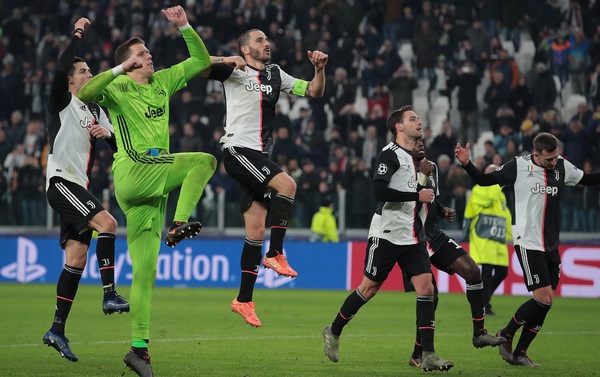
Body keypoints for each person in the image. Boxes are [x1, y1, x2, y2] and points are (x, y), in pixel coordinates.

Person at [78, 6, 218, 376]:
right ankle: (181, 222)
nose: (148, 56)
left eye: (148, 52)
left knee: (145, 272)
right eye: (140, 54)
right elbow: (86, 92)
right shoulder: (119, 86)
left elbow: (201, 61)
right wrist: (118, 70)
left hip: (151, 188)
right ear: (128, 63)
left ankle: (138, 350)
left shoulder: (164, 81)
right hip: (133, 170)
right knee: (203, 161)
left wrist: (185, 26)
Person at [198, 29, 329, 327]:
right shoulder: (233, 71)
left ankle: (243, 299)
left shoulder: (275, 74)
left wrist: (319, 70)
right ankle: (276, 253)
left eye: (267, 39)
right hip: (238, 150)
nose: (266, 43)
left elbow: (314, 91)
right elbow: (198, 64)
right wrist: (226, 59)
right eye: (259, 40)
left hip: (259, 156)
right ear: (244, 48)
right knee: (288, 185)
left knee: (255, 231)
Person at [321, 106, 454, 372]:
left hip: (412, 235)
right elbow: (379, 191)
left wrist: (436, 206)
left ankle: (426, 353)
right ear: (399, 127)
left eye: (418, 117)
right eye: (413, 119)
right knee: (368, 289)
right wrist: (418, 196)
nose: (419, 121)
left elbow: (410, 191)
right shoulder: (389, 154)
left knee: (427, 288)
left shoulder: (414, 159)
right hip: (386, 234)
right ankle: (333, 330)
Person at [455, 133, 600, 367]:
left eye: (555, 157)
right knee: (543, 299)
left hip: (551, 244)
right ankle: (508, 332)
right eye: (548, 158)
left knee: (547, 302)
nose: (553, 162)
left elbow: (587, 179)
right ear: (536, 154)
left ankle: (521, 352)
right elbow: (484, 180)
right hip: (528, 242)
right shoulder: (518, 166)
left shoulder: (562, 166)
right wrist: (466, 163)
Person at [42, 17, 129, 363]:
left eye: (90, 70)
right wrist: (77, 35)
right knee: (108, 223)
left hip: (79, 186)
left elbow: (119, 147)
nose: (89, 74)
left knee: (76, 260)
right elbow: (62, 65)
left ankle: (57, 330)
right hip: (61, 182)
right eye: (83, 71)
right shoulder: (62, 102)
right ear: (69, 80)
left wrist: (107, 135)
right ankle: (109, 293)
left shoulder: (96, 109)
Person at [404, 140, 506, 368]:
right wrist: (420, 178)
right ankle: (418, 353)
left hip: (434, 234)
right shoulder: (402, 168)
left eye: (421, 142)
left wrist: (441, 210)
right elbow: (405, 204)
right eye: (415, 142)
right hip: (412, 239)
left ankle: (479, 332)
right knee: (431, 296)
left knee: (473, 271)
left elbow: (431, 199)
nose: (420, 145)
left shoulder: (431, 167)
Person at [464, 164, 512, 316]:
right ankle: (485, 303)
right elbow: (489, 198)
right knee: (487, 269)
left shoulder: (501, 194)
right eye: (492, 172)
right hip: (483, 235)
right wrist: (497, 181)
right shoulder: (480, 188)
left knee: (502, 272)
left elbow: (505, 214)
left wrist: (511, 234)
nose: (496, 175)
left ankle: (484, 298)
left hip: (497, 237)